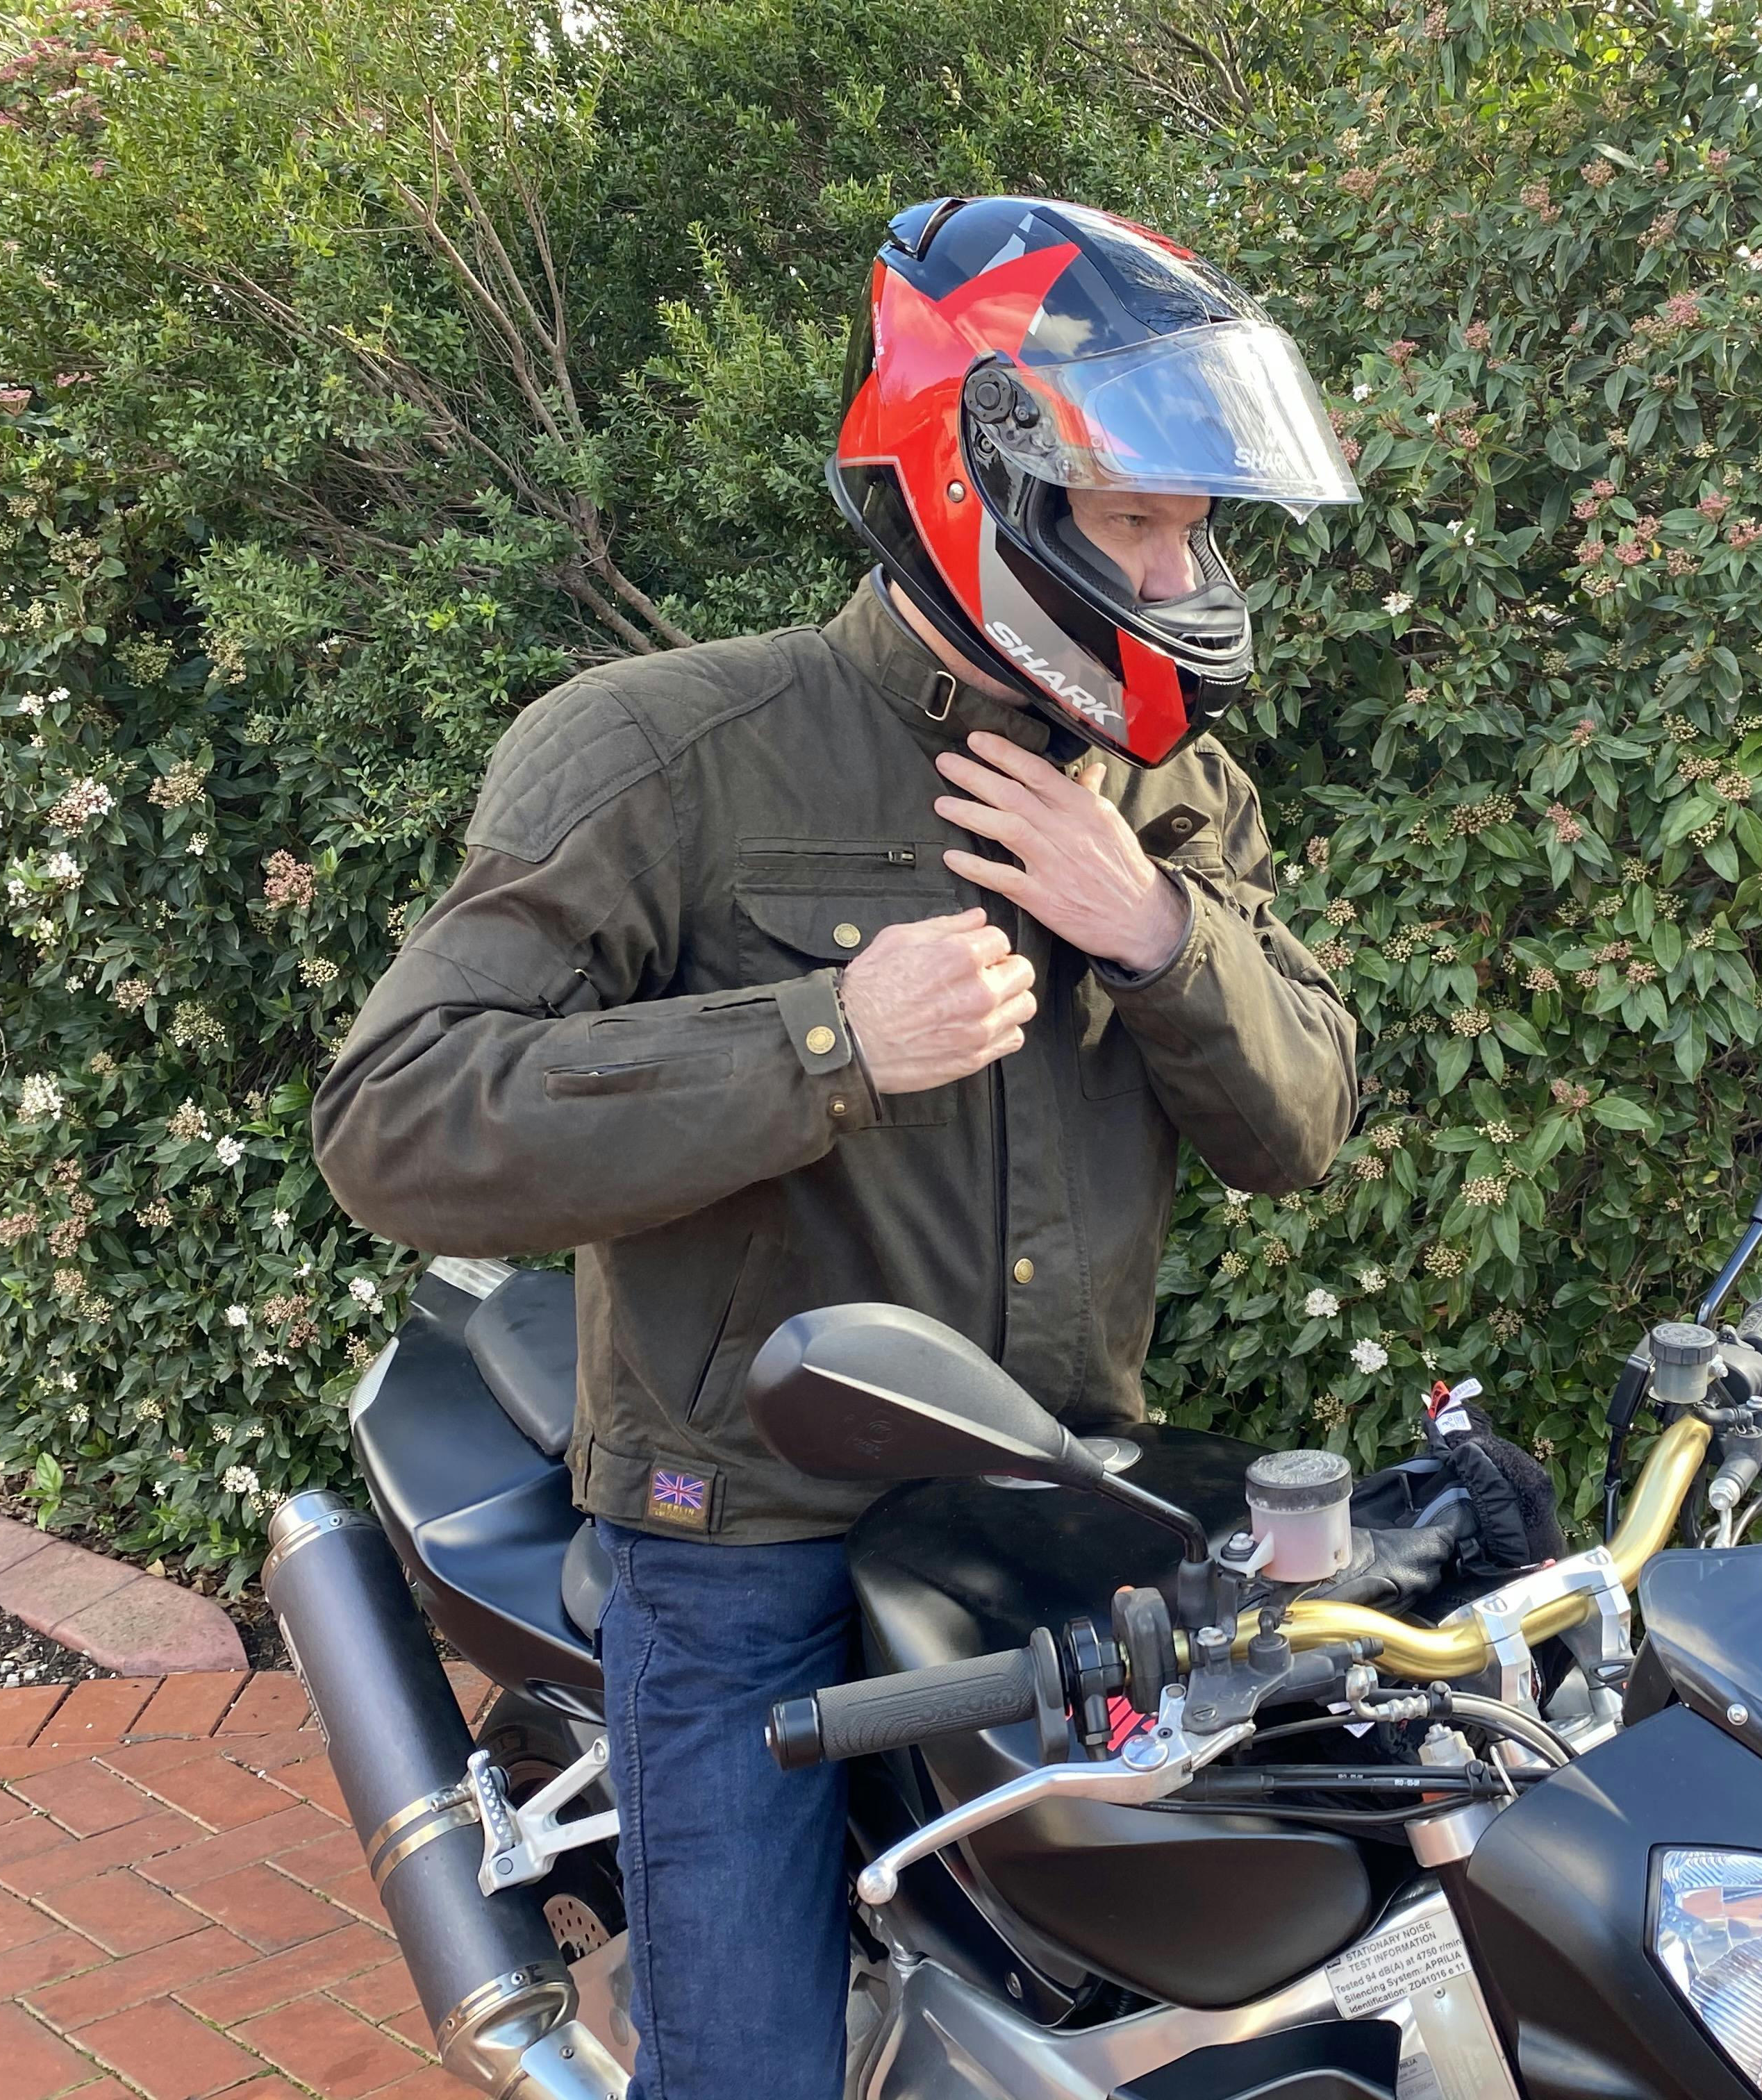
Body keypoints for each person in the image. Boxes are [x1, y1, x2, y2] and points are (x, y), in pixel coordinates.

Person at [311, 194, 1362, 2100]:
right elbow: (395, 1124)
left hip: (1052, 1516)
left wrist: (1160, 937)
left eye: (1197, 520)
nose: (1184, 562)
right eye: (1142, 516)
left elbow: (1300, 1129)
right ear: (983, 479)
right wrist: (821, 1040)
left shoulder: (1169, 793)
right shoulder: (662, 753)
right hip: (743, 1548)